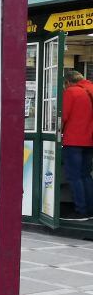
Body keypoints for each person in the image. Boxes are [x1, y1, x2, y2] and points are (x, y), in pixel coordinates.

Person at [61, 70, 93, 220]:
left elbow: (63, 116)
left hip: (74, 141)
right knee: (85, 175)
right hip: (90, 141)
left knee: (74, 177)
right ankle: (90, 210)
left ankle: (81, 211)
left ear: (68, 82)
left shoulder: (71, 92)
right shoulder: (90, 90)